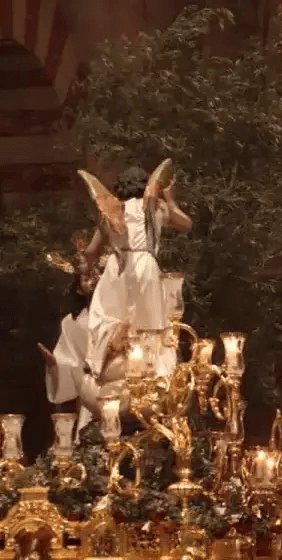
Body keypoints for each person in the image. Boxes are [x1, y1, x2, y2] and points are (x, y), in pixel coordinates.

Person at [81, 163, 192, 381]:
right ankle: (155, 372)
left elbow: (92, 251)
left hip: (118, 266)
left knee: (106, 314)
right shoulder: (155, 207)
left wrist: (88, 272)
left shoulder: (110, 211)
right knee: (150, 322)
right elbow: (186, 224)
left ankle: (106, 353)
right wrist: (169, 197)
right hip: (145, 264)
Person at [37, 231, 106, 438]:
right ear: (78, 287)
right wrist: (54, 366)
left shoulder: (114, 316)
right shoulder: (71, 322)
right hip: (91, 391)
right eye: (86, 278)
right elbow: (71, 364)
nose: (92, 282)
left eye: (96, 277)